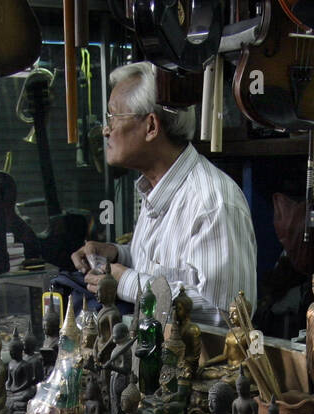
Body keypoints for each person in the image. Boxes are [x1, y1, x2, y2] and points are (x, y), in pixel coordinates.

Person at [72, 62, 255, 327]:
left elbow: (226, 312)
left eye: (113, 117)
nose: (105, 129)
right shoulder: (153, 188)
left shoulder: (212, 202)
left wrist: (125, 282)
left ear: (151, 127)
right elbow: (165, 267)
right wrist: (116, 255)